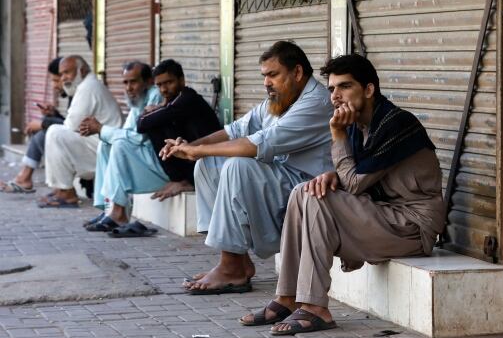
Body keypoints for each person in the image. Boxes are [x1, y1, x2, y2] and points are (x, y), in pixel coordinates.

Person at [239, 54, 445, 335]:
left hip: (411, 227)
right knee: (304, 191)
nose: (336, 96)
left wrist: (336, 134)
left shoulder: (395, 123)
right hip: (382, 216)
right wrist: (333, 175)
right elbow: (358, 176)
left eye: (344, 87)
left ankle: (315, 308)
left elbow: (357, 183)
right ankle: (287, 297)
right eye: (332, 88)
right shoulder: (357, 125)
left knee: (316, 197)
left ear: (369, 89)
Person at [160, 41, 332, 294]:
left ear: (297, 73)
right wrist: (188, 147)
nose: (267, 83)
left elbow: (257, 144)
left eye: (273, 75)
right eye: (264, 76)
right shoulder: (278, 100)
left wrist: (197, 151)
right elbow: (235, 130)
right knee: (208, 164)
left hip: (308, 187)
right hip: (280, 179)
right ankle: (235, 260)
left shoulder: (315, 102)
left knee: (237, 167)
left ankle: (231, 267)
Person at [79, 61, 163, 231]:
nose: (129, 88)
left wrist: (102, 128)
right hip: (145, 160)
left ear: (148, 82)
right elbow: (127, 133)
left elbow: (138, 138)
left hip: (160, 164)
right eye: (125, 82)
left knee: (119, 144)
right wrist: (102, 132)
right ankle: (110, 209)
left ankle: (119, 213)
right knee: (106, 144)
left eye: (133, 82)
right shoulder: (137, 101)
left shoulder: (155, 96)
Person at [38, 55, 123, 208]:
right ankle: (60, 189)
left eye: (67, 73)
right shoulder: (86, 85)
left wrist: (46, 123)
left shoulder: (88, 87)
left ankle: (66, 192)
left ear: (82, 70)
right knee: (55, 132)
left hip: (107, 147)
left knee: (55, 134)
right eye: (61, 74)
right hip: (102, 143)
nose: (63, 78)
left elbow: (71, 125)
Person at [135, 59, 222, 199]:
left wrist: (159, 109)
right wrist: (161, 108)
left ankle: (184, 180)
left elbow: (141, 124)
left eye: (169, 82)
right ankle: (179, 179)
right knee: (158, 125)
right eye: (159, 85)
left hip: (208, 162)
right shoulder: (175, 101)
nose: (164, 89)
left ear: (182, 80)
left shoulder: (187, 99)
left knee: (156, 124)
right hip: (195, 159)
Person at [1, 58, 65, 193]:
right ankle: (24, 177)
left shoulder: (84, 92)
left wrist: (43, 123)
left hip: (91, 147)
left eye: (56, 80)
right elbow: (70, 124)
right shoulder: (75, 93)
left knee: (45, 131)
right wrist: (53, 114)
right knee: (46, 125)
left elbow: (72, 128)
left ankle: (25, 178)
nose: (54, 86)